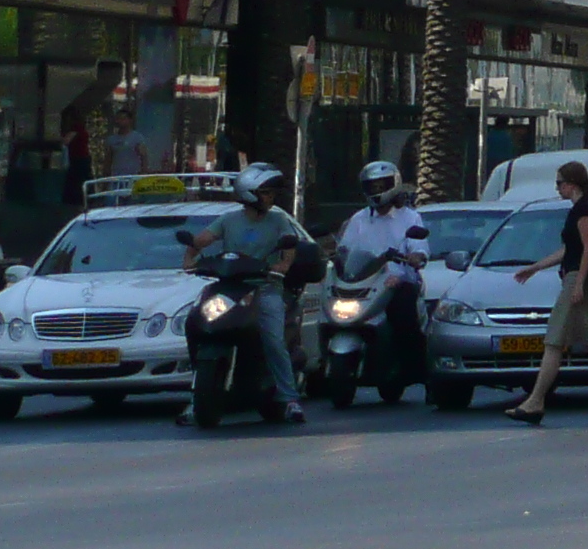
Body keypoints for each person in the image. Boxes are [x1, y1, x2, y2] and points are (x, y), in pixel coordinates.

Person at [503, 161, 588, 426]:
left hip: (577, 280)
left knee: (553, 342)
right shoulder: (577, 210)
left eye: (559, 182)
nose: (557, 187)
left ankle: (535, 402)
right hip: (577, 278)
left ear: (571, 184)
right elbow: (569, 250)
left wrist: (577, 284)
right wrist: (536, 267)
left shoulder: (584, 211)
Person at [179, 164, 310, 423]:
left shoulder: (279, 220)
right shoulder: (229, 220)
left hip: (264, 288)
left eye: (272, 193)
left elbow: (289, 247)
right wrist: (190, 258)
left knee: (273, 339)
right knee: (195, 324)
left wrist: (282, 266)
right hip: (229, 289)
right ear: (249, 194)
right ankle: (195, 401)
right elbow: (201, 240)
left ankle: (289, 399)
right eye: (266, 193)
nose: (271, 198)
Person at [335, 161, 430, 380]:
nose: (377, 191)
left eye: (381, 185)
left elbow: (420, 249)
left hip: (398, 282)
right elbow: (344, 248)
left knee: (404, 316)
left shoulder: (410, 217)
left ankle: (417, 372)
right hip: (365, 282)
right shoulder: (358, 219)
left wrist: (416, 257)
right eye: (372, 186)